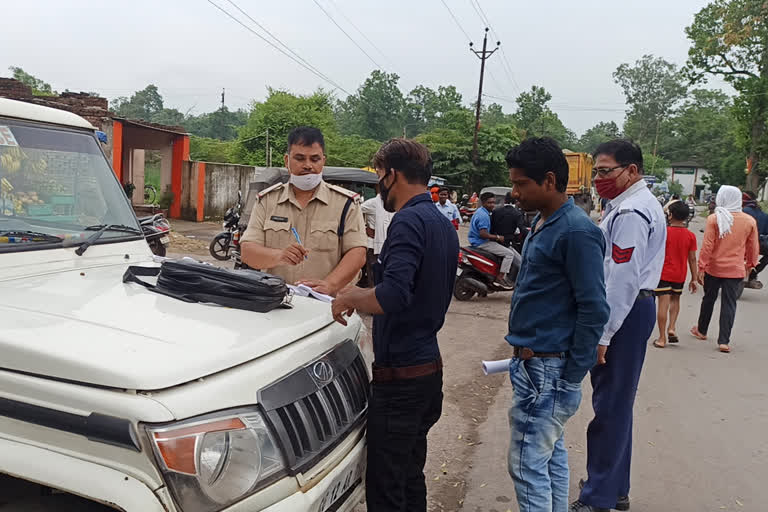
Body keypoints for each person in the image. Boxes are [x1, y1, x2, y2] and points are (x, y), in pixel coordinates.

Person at [330, 139, 458, 512]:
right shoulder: (442, 223)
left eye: (377, 178)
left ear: (392, 174)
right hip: (427, 371)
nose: (377, 188)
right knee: (409, 475)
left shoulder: (407, 221)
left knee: (386, 488)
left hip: (401, 379)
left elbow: (393, 296)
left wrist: (350, 296)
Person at [504, 138, 610, 512]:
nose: (514, 192)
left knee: (526, 463)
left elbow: (594, 308)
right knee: (549, 456)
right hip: (535, 366)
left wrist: (570, 376)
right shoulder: (542, 221)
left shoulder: (576, 231)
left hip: (547, 369)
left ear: (549, 181)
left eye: (521, 184)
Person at [571, 140, 666, 512]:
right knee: (617, 404)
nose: (598, 178)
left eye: (605, 170)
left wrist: (604, 332)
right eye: (596, 171)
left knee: (609, 407)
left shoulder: (631, 212)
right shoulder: (630, 205)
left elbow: (621, 278)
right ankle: (613, 486)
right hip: (632, 309)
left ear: (632, 171)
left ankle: (598, 499)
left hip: (623, 313)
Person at [240, 126, 366, 295]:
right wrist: (280, 256)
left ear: (323, 160)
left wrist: (329, 285)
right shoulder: (267, 201)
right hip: (278, 303)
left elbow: (357, 253)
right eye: (300, 158)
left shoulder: (346, 203)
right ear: (286, 160)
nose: (308, 165)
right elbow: (248, 252)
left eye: (315, 159)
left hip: (327, 306)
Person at [690, 185, 759, 353]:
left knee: (709, 298)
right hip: (735, 269)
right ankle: (724, 341)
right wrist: (751, 264)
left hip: (714, 268)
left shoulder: (715, 219)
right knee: (729, 303)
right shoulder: (749, 221)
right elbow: (753, 247)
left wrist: (701, 266)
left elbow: (708, 245)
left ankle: (702, 330)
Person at [652, 201, 698, 348]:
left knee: (663, 304)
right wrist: (694, 278)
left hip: (664, 273)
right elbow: (692, 259)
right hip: (680, 274)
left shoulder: (664, 232)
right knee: (675, 300)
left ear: (670, 215)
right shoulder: (690, 236)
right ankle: (672, 327)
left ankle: (661, 338)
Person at [468, 192, 522, 287]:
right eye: (489, 203)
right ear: (483, 203)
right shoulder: (484, 216)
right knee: (509, 254)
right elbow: (483, 234)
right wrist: (497, 237)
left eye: (493, 202)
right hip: (482, 242)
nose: (492, 205)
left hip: (475, 240)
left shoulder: (481, 211)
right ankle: (501, 277)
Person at [360, 193, 395, 286]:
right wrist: (364, 228)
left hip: (390, 245)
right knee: (374, 274)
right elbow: (355, 210)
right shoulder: (373, 203)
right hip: (374, 246)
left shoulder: (393, 203)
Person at [742, 190, 768, 288]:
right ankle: (754, 273)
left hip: (741, 244)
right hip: (757, 245)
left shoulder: (742, 211)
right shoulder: (764, 215)